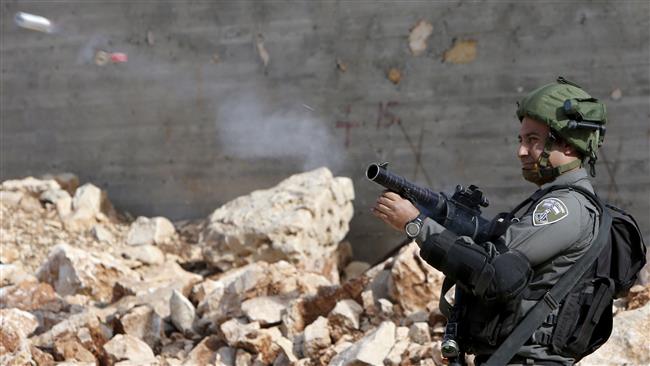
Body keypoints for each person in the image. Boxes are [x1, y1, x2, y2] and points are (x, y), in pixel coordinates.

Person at [372, 77, 608, 365]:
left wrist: (417, 225)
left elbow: (496, 276)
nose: (521, 151)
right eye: (521, 140)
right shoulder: (556, 201)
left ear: (568, 146)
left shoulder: (565, 207)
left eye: (532, 140)